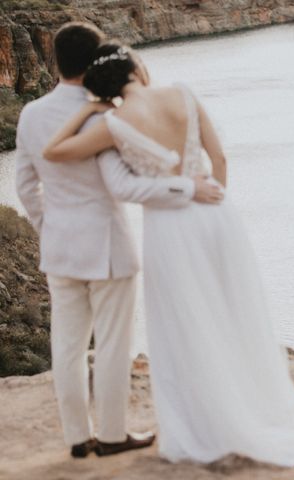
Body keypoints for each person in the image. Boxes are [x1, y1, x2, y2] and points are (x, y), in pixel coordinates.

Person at [42, 41, 294, 465]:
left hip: (168, 227)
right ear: (136, 66)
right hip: (217, 215)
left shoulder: (112, 123)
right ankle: (253, 408)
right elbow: (218, 158)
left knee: (183, 325)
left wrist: (86, 110)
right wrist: (215, 204)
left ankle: (203, 423)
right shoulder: (183, 92)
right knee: (232, 313)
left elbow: (54, 151)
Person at [15, 23, 224, 459]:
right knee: (112, 345)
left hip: (60, 248)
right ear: (94, 62)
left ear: (56, 61)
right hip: (108, 246)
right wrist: (187, 189)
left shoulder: (31, 114)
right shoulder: (106, 114)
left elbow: (24, 185)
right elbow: (123, 185)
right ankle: (111, 435)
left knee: (67, 349)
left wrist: (48, 226)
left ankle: (76, 438)